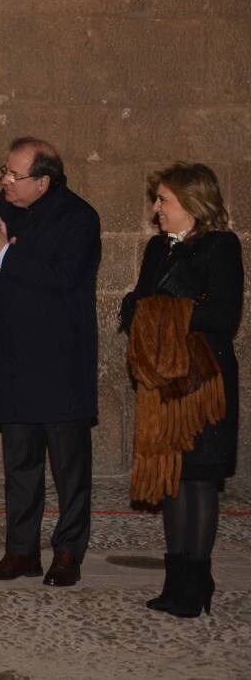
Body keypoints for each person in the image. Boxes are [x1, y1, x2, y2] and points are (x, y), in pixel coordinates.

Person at [0, 137, 100, 588]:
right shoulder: (2, 209)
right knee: (20, 466)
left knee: (69, 469)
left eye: (15, 175)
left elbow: (63, 278)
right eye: (5, 170)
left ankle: (67, 553)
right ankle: (21, 551)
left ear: (43, 181)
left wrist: (4, 254)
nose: (5, 180)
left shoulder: (79, 217)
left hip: (59, 366)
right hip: (12, 362)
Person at [120, 163, 243, 618]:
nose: (156, 209)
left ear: (192, 203)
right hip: (165, 383)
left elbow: (223, 316)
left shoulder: (221, 246)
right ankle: (174, 582)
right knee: (172, 479)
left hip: (204, 383)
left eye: (164, 200)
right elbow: (137, 303)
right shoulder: (157, 250)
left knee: (200, 481)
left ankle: (197, 581)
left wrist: (164, 309)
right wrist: (143, 308)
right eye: (157, 200)